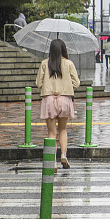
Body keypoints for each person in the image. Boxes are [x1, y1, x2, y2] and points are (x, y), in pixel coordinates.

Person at [36, 38, 80, 171]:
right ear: (64, 50)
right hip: (65, 99)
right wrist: (67, 86)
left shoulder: (45, 63)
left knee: (51, 132)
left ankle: (53, 162)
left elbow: (38, 83)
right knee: (63, 130)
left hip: (49, 100)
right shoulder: (69, 63)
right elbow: (76, 83)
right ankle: (63, 155)